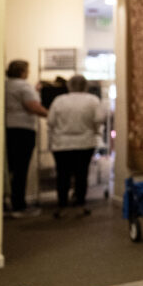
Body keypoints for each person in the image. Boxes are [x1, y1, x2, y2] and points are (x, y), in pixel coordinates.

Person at [47, 73, 104, 218]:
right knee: (81, 174)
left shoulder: (59, 100)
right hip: (84, 143)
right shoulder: (93, 100)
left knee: (62, 175)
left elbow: (51, 122)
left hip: (61, 144)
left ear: (69, 86)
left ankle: (62, 205)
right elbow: (99, 120)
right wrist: (94, 131)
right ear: (86, 86)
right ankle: (80, 204)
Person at [4, 59, 49, 217]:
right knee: (21, 168)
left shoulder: (6, 84)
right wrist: (51, 115)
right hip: (23, 130)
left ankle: (8, 201)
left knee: (10, 168)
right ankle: (19, 205)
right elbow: (32, 106)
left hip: (9, 129)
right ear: (23, 71)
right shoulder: (23, 86)